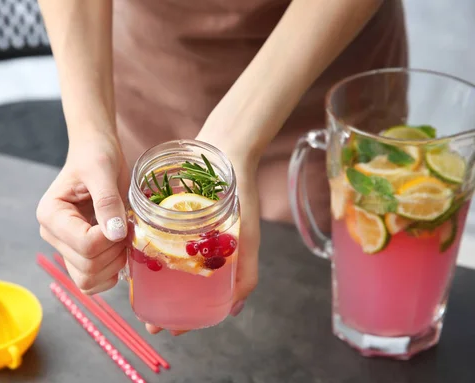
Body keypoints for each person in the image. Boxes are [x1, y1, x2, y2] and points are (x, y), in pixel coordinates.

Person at [35, 0, 407, 334]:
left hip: (319, 60)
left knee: (315, 293)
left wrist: (238, 133)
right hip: (151, 67)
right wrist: (90, 134)